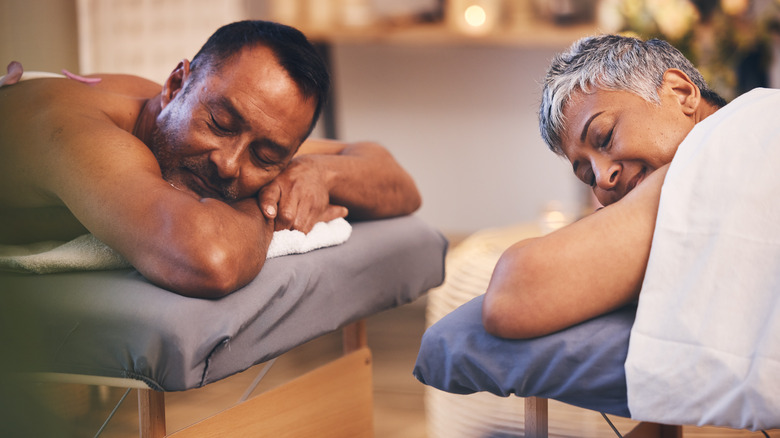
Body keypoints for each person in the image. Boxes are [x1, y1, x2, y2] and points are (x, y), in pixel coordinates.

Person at [0, 20, 421, 298]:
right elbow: (209, 260)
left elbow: (397, 181)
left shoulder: (249, 120)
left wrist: (315, 172)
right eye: (220, 124)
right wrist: (270, 204)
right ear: (176, 85)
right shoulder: (78, 131)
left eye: (267, 155)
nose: (230, 165)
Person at [481, 34, 730, 339]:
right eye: (586, 175)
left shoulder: (727, 149)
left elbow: (512, 294)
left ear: (680, 93)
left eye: (605, 136)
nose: (601, 179)